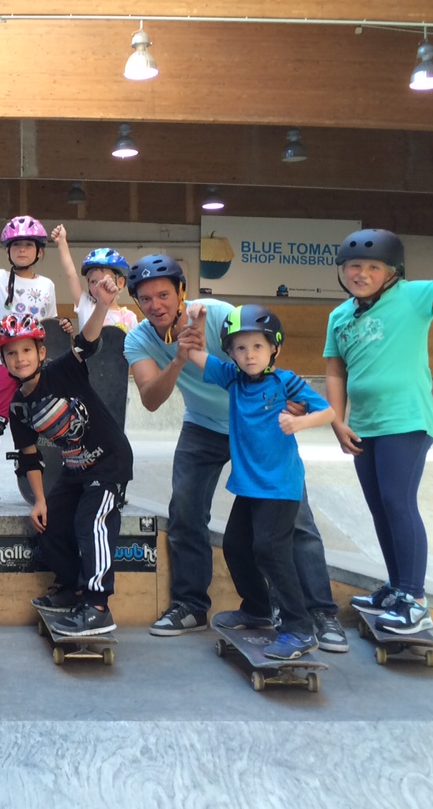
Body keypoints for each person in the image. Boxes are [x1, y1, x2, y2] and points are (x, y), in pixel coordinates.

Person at [122, 253, 347, 650]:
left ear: (181, 292)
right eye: (145, 298)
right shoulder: (138, 339)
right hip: (203, 427)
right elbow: (151, 399)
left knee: (293, 519)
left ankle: (321, 613)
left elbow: (263, 358)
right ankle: (192, 605)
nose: (156, 305)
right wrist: (177, 359)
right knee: (186, 512)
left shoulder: (217, 315)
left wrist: (290, 402)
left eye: (163, 295)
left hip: (256, 428)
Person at [324, 212, 433, 635]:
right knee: (379, 508)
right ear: (343, 271)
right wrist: (338, 421)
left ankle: (414, 599)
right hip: (365, 426)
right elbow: (335, 372)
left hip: (406, 422)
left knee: (398, 502)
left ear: (392, 273)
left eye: (374, 267)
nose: (362, 273)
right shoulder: (339, 317)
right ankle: (396, 587)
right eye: (354, 266)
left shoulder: (414, 298)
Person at [185, 304, 335, 659]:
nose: (248, 355)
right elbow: (193, 352)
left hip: (280, 485)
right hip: (249, 485)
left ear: (274, 349)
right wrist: (199, 319)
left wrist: (300, 423)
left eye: (256, 346)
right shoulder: (232, 378)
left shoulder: (286, 382)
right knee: (236, 546)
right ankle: (257, 607)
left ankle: (299, 628)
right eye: (239, 347)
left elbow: (328, 410)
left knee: (271, 551)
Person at [0, 275, 133, 639]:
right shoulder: (18, 407)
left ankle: (97, 605)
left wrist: (102, 305)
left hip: (109, 463)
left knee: (93, 524)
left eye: (27, 350)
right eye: (12, 353)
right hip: (75, 470)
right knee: (50, 524)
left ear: (41, 353)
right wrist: (39, 500)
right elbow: (29, 458)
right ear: (4, 361)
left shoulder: (63, 370)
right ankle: (74, 588)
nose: (20, 358)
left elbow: (86, 343)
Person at [0, 213, 59, 506]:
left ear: (40, 251)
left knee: (44, 420)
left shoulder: (47, 285)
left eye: (29, 245)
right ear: (7, 250)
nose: (22, 249)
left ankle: (43, 471)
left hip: (36, 365)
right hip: (1, 361)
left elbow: (51, 323)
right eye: (16, 244)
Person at [50, 228, 135, 429]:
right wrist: (62, 242)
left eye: (103, 280)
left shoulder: (129, 317)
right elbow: (71, 274)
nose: (98, 286)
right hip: (85, 381)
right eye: (92, 282)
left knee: (112, 427)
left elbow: (135, 353)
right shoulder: (86, 304)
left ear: (120, 282)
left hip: (115, 385)